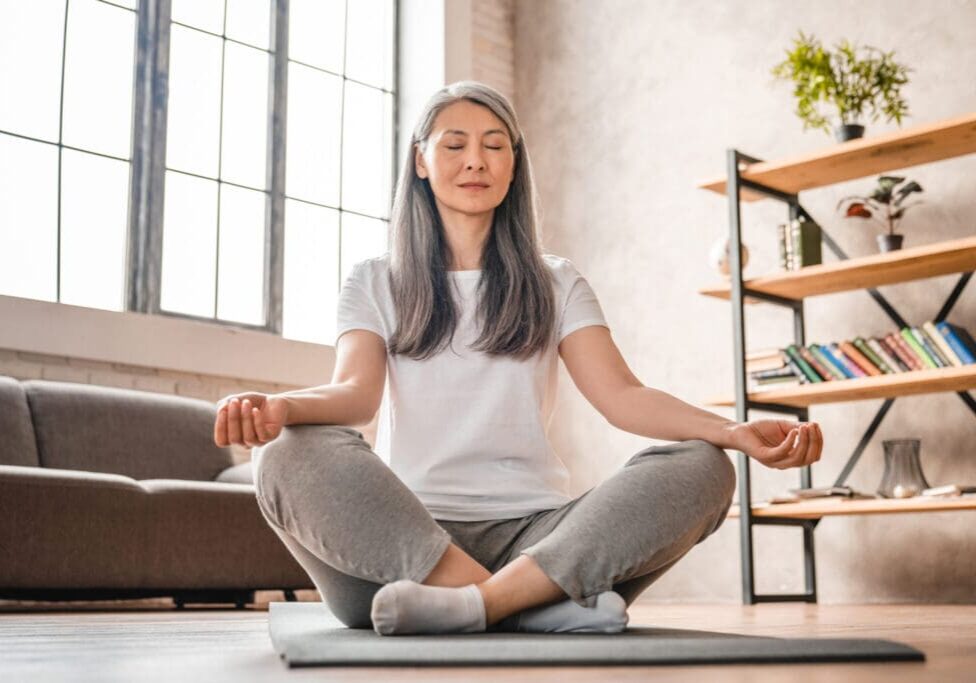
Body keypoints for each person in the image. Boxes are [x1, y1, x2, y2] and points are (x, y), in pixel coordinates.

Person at [213, 81, 823, 637]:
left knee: (705, 468)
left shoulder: (555, 282)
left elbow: (624, 397)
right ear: (421, 162)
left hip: (539, 539)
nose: (474, 160)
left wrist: (730, 432)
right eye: (454, 145)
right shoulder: (375, 279)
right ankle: (524, 605)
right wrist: (280, 406)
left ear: (513, 166)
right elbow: (353, 395)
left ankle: (482, 603)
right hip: (398, 546)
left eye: (494, 145)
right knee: (287, 450)